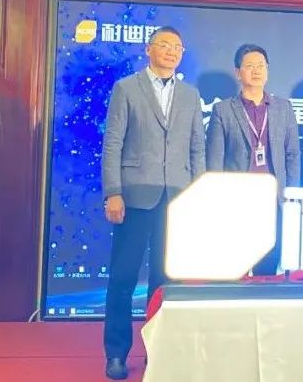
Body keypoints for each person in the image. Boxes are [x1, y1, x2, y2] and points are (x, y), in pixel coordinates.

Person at [101, 26, 205, 380]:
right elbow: (113, 143)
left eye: (177, 47)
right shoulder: (127, 88)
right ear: (149, 49)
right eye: (164, 45)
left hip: (176, 197)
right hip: (134, 195)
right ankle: (116, 354)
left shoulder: (191, 95)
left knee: (165, 282)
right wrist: (113, 191)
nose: (171, 51)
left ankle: (158, 353)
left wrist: (197, 195)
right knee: (123, 277)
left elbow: (197, 148)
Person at [206, 43, 300, 274]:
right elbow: (215, 160)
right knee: (234, 264)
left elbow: (292, 154)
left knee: (267, 266)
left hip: (273, 197)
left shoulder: (283, 108)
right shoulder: (223, 110)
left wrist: (292, 194)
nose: (256, 70)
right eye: (249, 66)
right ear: (238, 72)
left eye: (261, 65)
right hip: (238, 198)